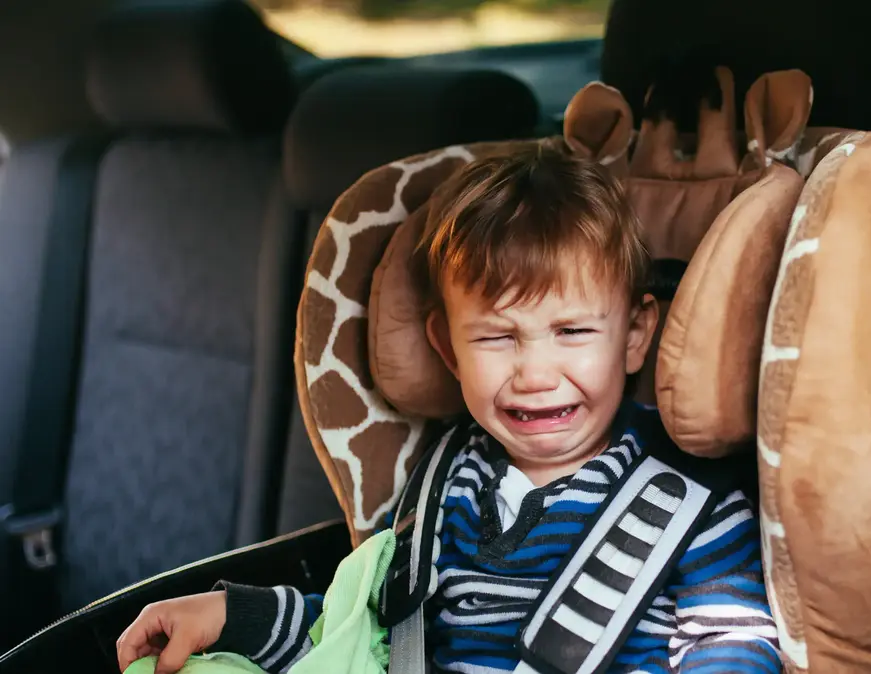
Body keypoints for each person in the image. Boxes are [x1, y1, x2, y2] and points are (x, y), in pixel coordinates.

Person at [115, 144, 781, 674]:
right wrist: (232, 617)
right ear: (447, 347)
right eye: (496, 337)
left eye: (573, 332)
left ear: (636, 336)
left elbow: (733, 639)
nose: (535, 374)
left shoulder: (693, 497)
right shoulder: (442, 486)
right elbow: (362, 634)